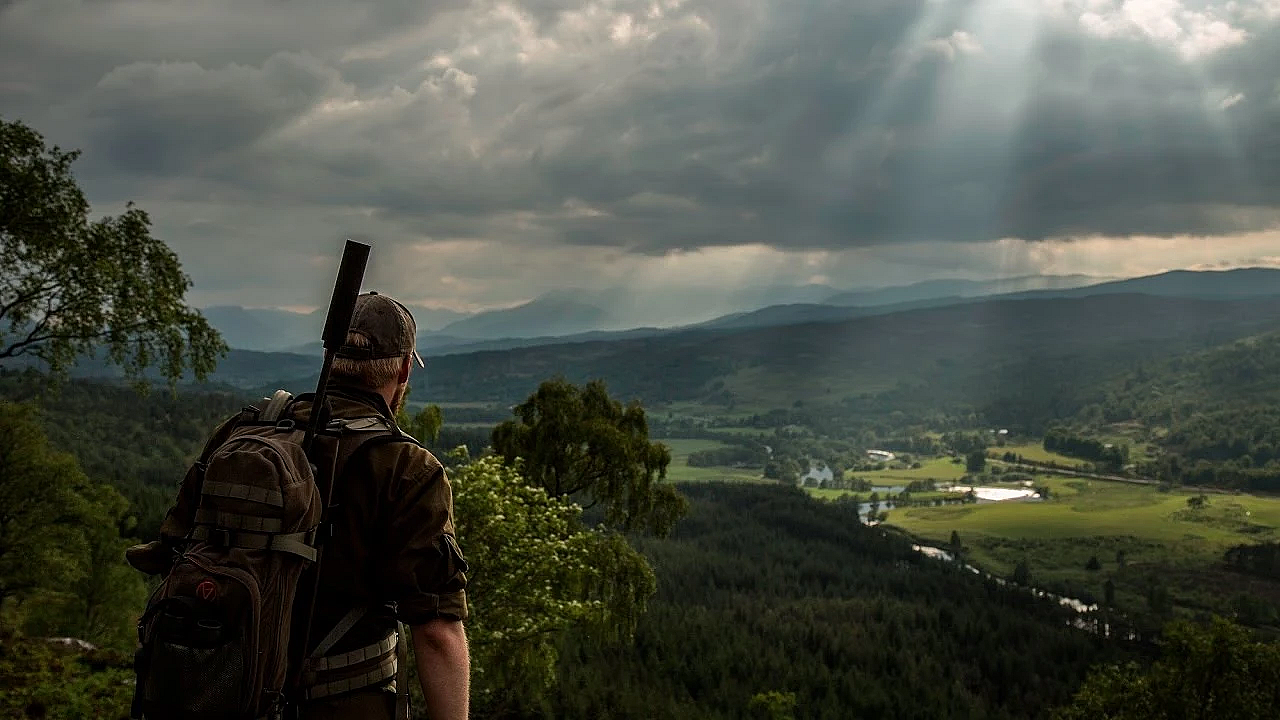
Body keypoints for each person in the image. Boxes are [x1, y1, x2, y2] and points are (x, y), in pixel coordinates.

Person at [130, 291, 470, 720]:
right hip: (341, 703)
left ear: (332, 356)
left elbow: (172, 548)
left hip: (216, 691)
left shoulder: (245, 429)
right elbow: (437, 631)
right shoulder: (408, 467)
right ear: (403, 369)